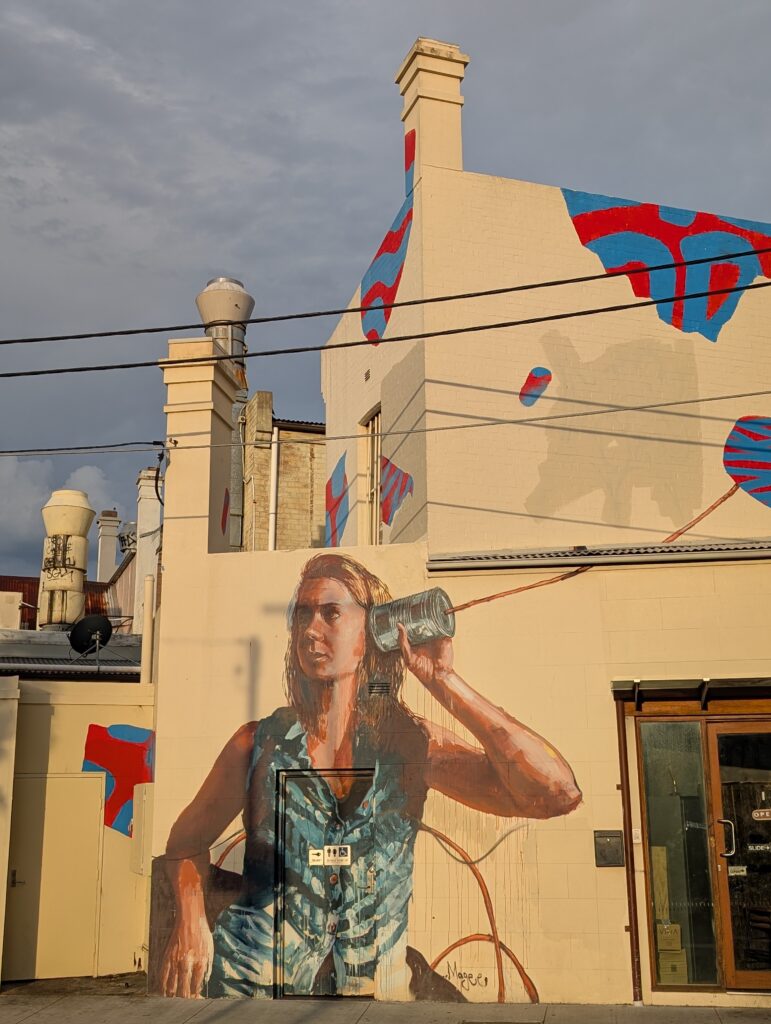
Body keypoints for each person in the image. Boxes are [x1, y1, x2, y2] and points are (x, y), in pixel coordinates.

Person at [159, 553, 581, 999]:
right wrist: (191, 920)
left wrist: (443, 680)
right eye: (302, 615)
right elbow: (184, 845)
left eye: (331, 614)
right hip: (250, 993)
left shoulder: (412, 747)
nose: (310, 630)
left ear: (373, 630)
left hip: (374, 1002)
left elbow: (554, 793)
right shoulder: (257, 744)